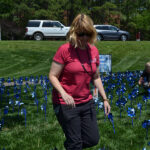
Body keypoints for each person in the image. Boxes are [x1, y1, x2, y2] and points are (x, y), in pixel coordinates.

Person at [49, 13, 111, 150]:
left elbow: (96, 77)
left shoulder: (93, 51)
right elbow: (52, 76)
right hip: (67, 104)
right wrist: (63, 93)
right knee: (75, 143)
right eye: (80, 34)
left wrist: (105, 99)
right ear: (74, 32)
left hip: (86, 102)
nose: (84, 38)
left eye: (87, 34)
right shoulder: (65, 50)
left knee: (92, 139)